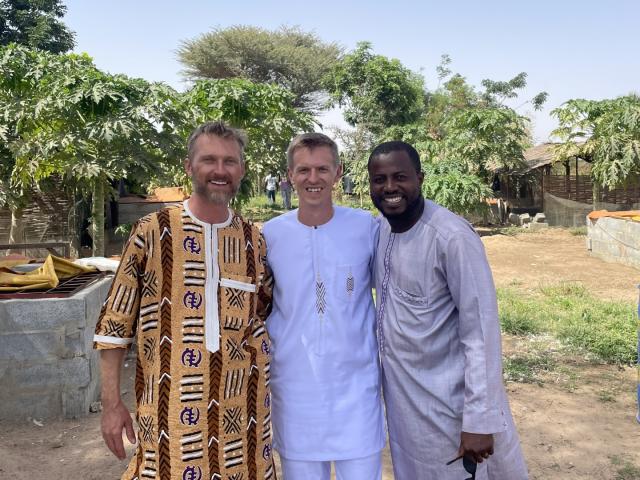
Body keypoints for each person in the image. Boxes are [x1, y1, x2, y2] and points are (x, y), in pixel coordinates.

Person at [94, 121, 276, 480]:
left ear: (242, 169)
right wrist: (111, 404)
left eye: (230, 161)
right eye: (209, 160)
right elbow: (115, 325)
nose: (220, 170)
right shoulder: (151, 232)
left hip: (244, 412)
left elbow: (265, 312)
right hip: (170, 411)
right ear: (189, 166)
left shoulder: (255, 240)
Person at [368, 141, 528, 479]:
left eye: (400, 177)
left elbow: (481, 331)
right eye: (379, 180)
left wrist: (479, 420)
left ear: (420, 178)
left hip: (450, 408)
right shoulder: (382, 230)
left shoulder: (450, 237)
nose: (390, 188)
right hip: (405, 407)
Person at [262, 133, 384, 480]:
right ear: (289, 175)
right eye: (303, 170)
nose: (312, 179)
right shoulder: (270, 236)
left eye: (322, 169)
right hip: (296, 388)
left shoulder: (366, 228)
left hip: (356, 388)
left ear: (338, 172)